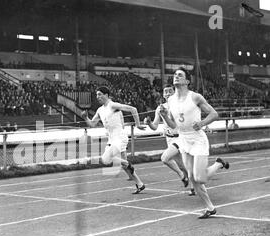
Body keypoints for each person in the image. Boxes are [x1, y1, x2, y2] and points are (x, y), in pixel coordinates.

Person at [159, 67, 230, 219]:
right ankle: (210, 208)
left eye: (180, 75)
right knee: (192, 177)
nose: (176, 77)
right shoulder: (170, 100)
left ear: (187, 81)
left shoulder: (195, 97)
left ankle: (218, 164)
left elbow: (214, 114)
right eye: (175, 75)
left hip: (197, 139)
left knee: (200, 178)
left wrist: (202, 123)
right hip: (184, 139)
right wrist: (165, 116)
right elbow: (173, 125)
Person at [81, 86, 147, 194]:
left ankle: (128, 164)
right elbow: (92, 124)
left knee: (106, 159)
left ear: (106, 95)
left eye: (100, 94)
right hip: (111, 139)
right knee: (121, 164)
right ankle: (140, 184)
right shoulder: (100, 110)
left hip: (120, 137)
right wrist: (85, 118)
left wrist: (138, 124)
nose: (98, 97)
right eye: (97, 95)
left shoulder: (113, 105)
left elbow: (133, 109)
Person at [144, 84, 195, 196]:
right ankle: (193, 186)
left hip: (179, 138)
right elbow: (155, 126)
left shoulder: (178, 106)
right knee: (182, 165)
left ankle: (182, 177)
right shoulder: (160, 107)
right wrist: (148, 123)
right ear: (162, 94)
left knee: (165, 158)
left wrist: (166, 114)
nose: (167, 94)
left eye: (169, 91)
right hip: (169, 139)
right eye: (165, 91)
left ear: (174, 92)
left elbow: (174, 125)